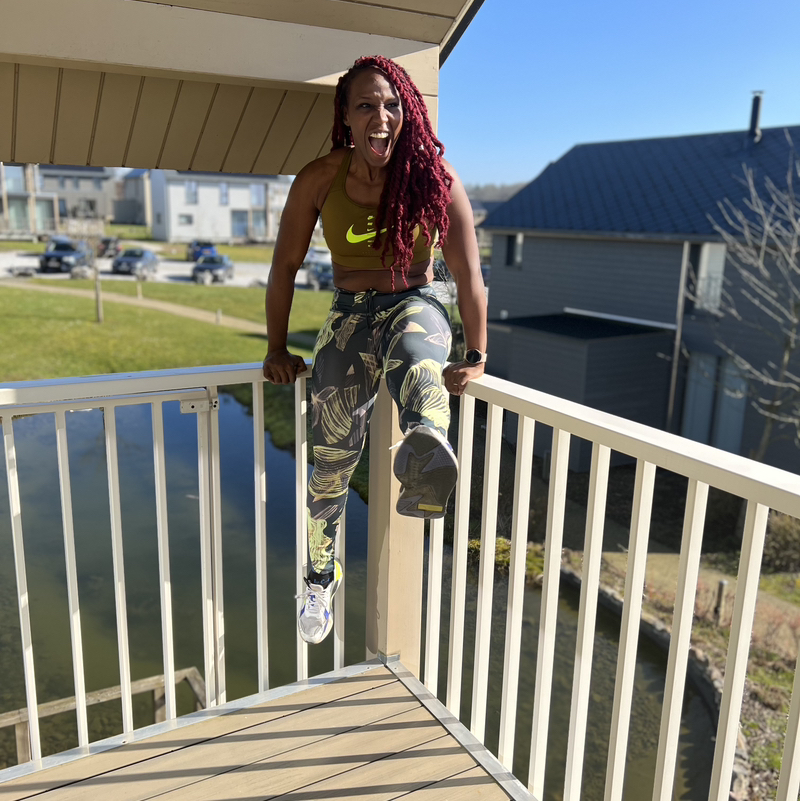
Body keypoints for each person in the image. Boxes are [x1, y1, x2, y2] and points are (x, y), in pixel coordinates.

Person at [262, 55, 487, 645]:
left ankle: (426, 447)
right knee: (331, 455)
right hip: (350, 313)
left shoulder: (436, 178)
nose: (380, 117)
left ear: (407, 112)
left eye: (392, 105)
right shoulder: (318, 178)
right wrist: (277, 349)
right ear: (346, 115)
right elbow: (284, 268)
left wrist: (476, 355)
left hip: (415, 298)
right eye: (366, 105)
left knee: (416, 352)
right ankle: (320, 577)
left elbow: (468, 273)